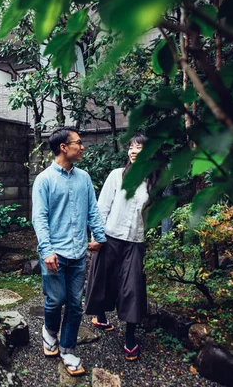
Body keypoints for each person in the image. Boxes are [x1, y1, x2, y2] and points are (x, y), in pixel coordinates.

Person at [32, 126, 107, 377]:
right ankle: (49, 332)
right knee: (55, 301)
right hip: (54, 253)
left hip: (78, 253)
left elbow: (92, 210)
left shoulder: (84, 178)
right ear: (64, 147)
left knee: (75, 305)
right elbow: (39, 218)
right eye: (78, 142)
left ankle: (67, 349)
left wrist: (99, 236)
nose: (82, 146)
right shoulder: (44, 180)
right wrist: (47, 250)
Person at [85, 133, 155, 361]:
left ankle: (130, 336)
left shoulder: (153, 181)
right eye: (132, 147)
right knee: (103, 279)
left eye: (140, 148)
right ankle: (101, 316)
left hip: (134, 241)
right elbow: (101, 207)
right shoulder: (117, 176)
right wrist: (97, 236)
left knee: (132, 288)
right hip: (110, 237)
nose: (134, 151)